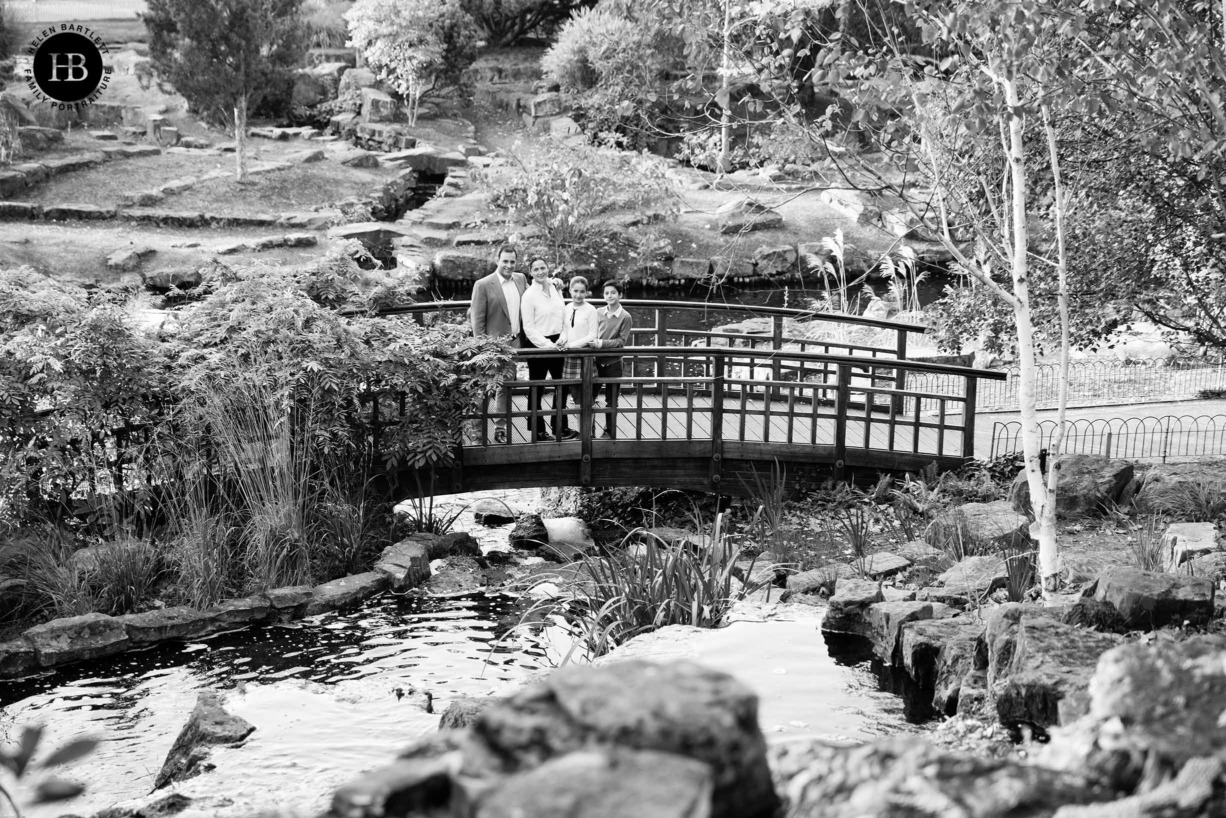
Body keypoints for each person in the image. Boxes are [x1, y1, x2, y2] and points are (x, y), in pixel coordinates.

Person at [470, 243, 527, 444]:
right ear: (497, 260)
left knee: (506, 388)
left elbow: (532, 301)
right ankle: (477, 433)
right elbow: (477, 322)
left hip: (514, 344)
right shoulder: (483, 285)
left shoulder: (521, 279)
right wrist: (484, 349)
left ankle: (500, 428)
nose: (509, 265)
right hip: (491, 348)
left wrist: (550, 284)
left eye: (513, 261)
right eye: (505, 261)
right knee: (484, 390)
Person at [520, 255, 569, 441]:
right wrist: (548, 345)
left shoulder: (556, 288)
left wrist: (563, 338)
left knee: (561, 386)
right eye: (536, 269)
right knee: (537, 387)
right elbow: (528, 328)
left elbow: (563, 316)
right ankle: (537, 430)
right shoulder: (529, 296)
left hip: (558, 342)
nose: (540, 272)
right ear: (531, 273)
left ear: (548, 268)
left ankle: (559, 427)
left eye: (543, 268)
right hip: (538, 344)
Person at [591, 279, 633, 439]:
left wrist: (602, 344)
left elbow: (621, 342)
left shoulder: (625, 317)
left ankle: (609, 432)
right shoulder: (598, 312)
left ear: (620, 295)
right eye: (607, 293)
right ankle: (590, 430)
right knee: (589, 397)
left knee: (611, 400)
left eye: (613, 293)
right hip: (595, 362)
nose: (610, 296)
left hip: (614, 364)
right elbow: (592, 332)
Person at [558, 276, 599, 439]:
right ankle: (582, 432)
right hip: (570, 357)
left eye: (582, 292)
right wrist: (562, 340)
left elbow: (592, 335)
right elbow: (565, 330)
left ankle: (589, 432)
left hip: (585, 356)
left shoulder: (591, 310)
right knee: (576, 397)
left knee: (587, 396)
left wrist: (573, 345)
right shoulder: (566, 308)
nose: (578, 295)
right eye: (575, 291)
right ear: (570, 291)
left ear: (586, 292)